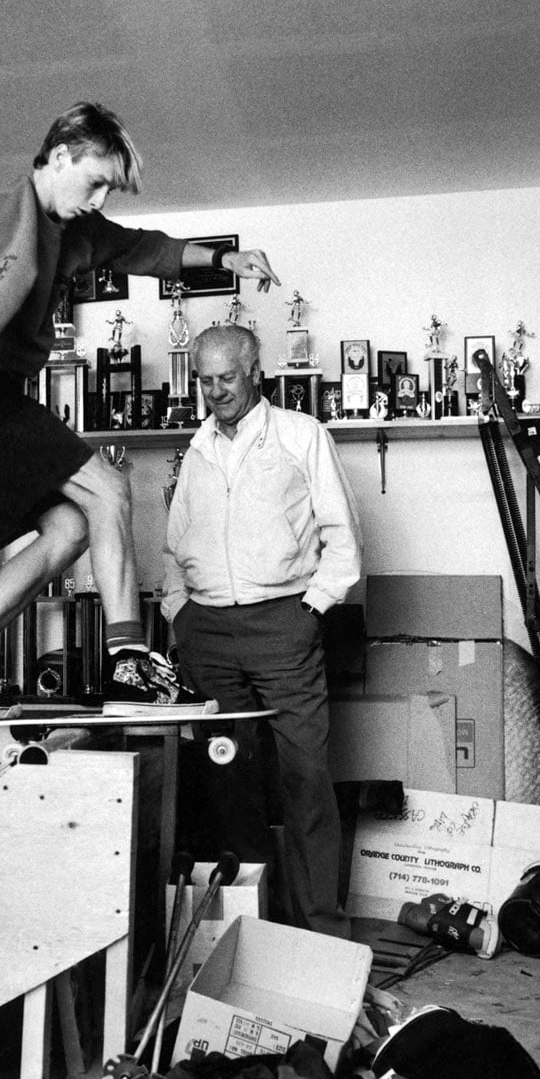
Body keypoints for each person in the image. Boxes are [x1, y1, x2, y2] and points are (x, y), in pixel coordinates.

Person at [0, 101, 281, 718]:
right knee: (108, 489)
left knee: (70, 528)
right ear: (57, 157)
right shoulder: (8, 224)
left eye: (109, 187)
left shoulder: (71, 230)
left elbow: (142, 249)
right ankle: (130, 670)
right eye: (94, 181)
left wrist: (224, 260)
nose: (100, 198)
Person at [162, 324, 362, 938]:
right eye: (204, 379)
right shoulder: (196, 449)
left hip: (284, 625)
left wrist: (311, 611)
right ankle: (249, 932)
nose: (215, 390)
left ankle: (321, 934)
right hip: (208, 635)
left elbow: (342, 539)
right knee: (227, 781)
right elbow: (174, 545)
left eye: (227, 377)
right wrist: (179, 612)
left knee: (304, 781)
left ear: (255, 372)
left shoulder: (303, 436)